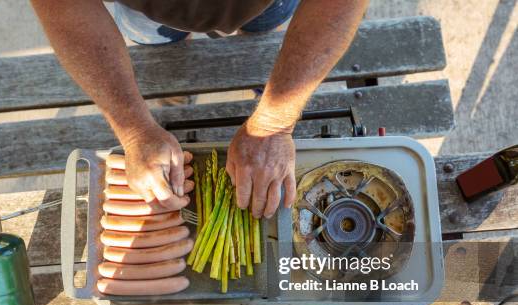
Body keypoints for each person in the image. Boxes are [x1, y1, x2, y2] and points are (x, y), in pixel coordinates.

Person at [31, 0, 368, 218]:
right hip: (147, 12)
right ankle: (178, 89)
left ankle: (265, 84)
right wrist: (134, 129)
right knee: (165, 50)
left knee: (263, 35)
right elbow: (62, 5)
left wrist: (275, 121)